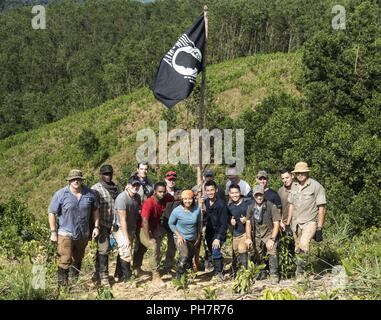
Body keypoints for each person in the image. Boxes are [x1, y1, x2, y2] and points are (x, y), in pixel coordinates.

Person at [48, 169, 100, 286]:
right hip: (65, 233)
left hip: (83, 233)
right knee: (65, 259)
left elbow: (96, 209)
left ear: (81, 180)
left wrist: (96, 226)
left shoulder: (89, 194)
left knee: (78, 258)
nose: (76, 181)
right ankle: (63, 288)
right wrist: (53, 232)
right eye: (73, 179)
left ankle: (74, 284)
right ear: (69, 181)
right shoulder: (60, 194)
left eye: (78, 179)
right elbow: (51, 212)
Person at [285, 162, 327, 278]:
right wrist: (288, 224)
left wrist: (319, 228)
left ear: (307, 172)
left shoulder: (316, 186)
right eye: (298, 173)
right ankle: (303, 269)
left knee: (304, 244)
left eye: (303, 172)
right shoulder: (294, 186)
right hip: (296, 223)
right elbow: (291, 205)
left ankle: (300, 274)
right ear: (295, 174)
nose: (300, 175)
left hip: (310, 221)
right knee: (297, 247)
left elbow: (321, 208)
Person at [133, 182, 174, 287]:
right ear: (155, 192)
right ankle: (155, 276)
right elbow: (144, 221)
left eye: (164, 192)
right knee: (152, 246)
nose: (162, 194)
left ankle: (137, 269)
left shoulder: (166, 198)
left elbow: (176, 198)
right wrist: (149, 237)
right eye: (160, 192)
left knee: (142, 248)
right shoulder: (149, 202)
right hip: (142, 228)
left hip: (154, 226)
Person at [91, 164, 120, 286]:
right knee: (104, 249)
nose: (108, 176)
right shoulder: (96, 189)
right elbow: (92, 208)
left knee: (122, 247)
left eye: (110, 173)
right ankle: (103, 276)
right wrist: (94, 226)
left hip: (115, 223)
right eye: (105, 174)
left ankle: (98, 273)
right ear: (101, 175)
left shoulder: (116, 187)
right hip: (101, 223)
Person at [246, 185, 281, 284]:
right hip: (257, 233)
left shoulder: (271, 206)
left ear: (264, 194)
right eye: (257, 195)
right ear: (253, 196)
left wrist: (272, 239)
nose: (259, 197)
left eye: (260, 195)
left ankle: (274, 274)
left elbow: (276, 223)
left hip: (269, 232)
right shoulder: (250, 207)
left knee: (272, 250)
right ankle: (262, 271)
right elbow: (248, 222)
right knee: (258, 252)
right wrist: (248, 237)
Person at [112, 176, 141, 284]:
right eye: (133, 185)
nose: (135, 187)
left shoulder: (137, 197)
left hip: (131, 227)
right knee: (126, 250)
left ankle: (118, 275)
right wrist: (126, 238)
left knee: (124, 251)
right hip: (120, 227)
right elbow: (122, 220)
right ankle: (128, 278)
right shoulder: (122, 198)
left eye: (137, 185)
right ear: (128, 185)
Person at [168, 190, 201, 279]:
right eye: (185, 199)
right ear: (182, 200)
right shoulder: (177, 211)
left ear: (193, 199)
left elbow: (199, 223)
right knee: (184, 255)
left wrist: (198, 236)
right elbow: (171, 223)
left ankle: (186, 275)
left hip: (192, 237)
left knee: (189, 257)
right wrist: (178, 235)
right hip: (180, 237)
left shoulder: (197, 209)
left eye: (189, 199)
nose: (187, 201)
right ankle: (178, 276)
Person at [204, 180, 228, 281]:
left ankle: (219, 272)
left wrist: (218, 238)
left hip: (219, 232)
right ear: (205, 191)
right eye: (208, 190)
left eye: (212, 190)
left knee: (215, 250)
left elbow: (224, 224)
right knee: (212, 251)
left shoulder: (221, 205)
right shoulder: (205, 202)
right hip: (209, 232)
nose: (210, 192)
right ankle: (218, 267)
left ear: (216, 190)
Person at [227, 184, 252, 275]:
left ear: (240, 192)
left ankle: (245, 274)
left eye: (236, 193)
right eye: (232, 193)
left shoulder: (247, 203)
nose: (235, 195)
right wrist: (230, 221)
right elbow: (227, 218)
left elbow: (254, 216)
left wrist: (246, 219)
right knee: (236, 253)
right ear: (229, 194)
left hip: (245, 232)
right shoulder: (229, 206)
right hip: (235, 234)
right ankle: (237, 273)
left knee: (242, 250)